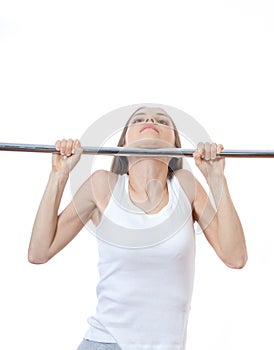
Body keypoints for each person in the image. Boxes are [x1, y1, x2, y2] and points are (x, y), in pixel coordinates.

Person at [28, 107, 247, 350]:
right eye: (139, 119)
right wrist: (58, 176)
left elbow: (235, 256)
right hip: (106, 343)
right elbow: (39, 251)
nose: (151, 120)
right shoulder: (103, 186)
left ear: (175, 146)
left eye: (162, 120)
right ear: (123, 143)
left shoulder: (186, 187)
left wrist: (216, 178)